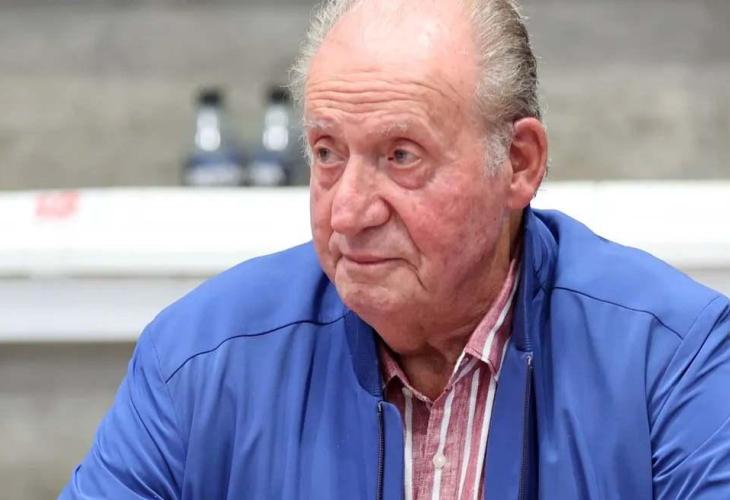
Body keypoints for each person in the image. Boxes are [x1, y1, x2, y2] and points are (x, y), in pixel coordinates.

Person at [61, 0, 730, 498]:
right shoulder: (200, 361)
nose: (348, 212)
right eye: (328, 153)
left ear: (519, 162)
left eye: (401, 155)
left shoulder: (672, 359)